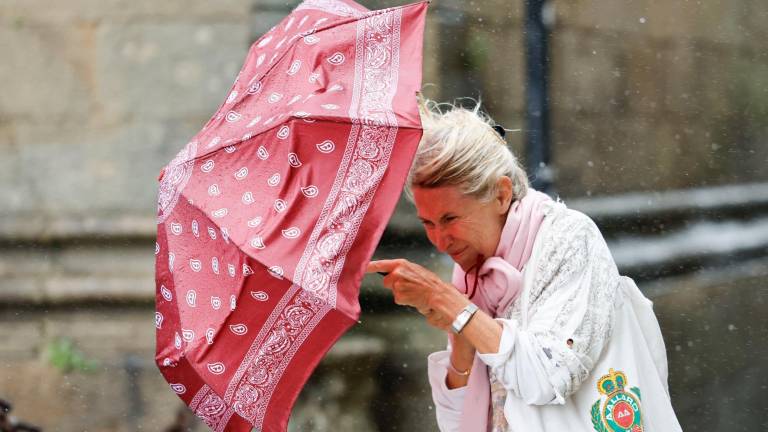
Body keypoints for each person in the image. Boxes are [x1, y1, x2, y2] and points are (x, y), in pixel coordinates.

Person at [366, 98, 682, 431]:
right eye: (428, 223)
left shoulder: (569, 236)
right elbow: (456, 423)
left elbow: (549, 378)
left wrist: (450, 305)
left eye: (451, 218)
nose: (440, 241)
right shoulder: (472, 279)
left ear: (501, 195)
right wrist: (460, 334)